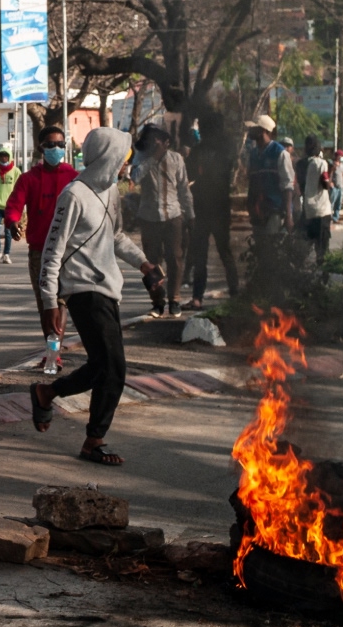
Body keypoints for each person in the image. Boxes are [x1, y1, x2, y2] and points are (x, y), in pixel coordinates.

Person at [28, 128, 153, 467]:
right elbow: (51, 252)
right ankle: (94, 440)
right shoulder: (73, 195)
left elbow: (117, 235)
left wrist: (143, 263)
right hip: (83, 291)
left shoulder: (110, 191)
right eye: (122, 158)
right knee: (114, 366)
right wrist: (50, 303)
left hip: (109, 289)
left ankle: (46, 392)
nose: (125, 165)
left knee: (101, 365)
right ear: (108, 158)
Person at [6, 124, 76, 373]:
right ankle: (52, 352)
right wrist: (13, 222)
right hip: (40, 251)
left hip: (67, 250)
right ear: (41, 147)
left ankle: (54, 354)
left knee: (60, 302)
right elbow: (14, 206)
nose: (56, 149)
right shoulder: (29, 178)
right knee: (46, 305)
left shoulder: (74, 177)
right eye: (50, 145)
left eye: (60, 145)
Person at [133, 125, 193, 316]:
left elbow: (183, 189)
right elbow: (135, 177)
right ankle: (157, 302)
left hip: (173, 215)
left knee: (175, 258)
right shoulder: (142, 157)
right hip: (148, 217)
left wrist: (190, 215)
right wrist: (154, 157)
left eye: (158, 139)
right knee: (152, 261)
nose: (155, 143)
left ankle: (174, 300)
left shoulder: (176, 159)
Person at [183, 119, 239, 309]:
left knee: (216, 253)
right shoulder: (212, 151)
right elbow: (190, 173)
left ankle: (207, 296)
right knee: (213, 254)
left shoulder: (217, 151)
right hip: (209, 208)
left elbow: (194, 174)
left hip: (213, 208)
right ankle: (203, 296)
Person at [244, 114, 295, 247]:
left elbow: (287, 186)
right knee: (259, 248)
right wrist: (250, 206)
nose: (250, 131)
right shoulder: (253, 154)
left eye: (254, 128)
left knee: (271, 246)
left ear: (263, 130)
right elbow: (252, 182)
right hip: (258, 210)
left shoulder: (280, 153)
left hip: (274, 210)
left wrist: (288, 216)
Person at [296, 134, 334, 267]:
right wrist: (331, 173)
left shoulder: (300, 164)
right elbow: (325, 184)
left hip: (307, 209)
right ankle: (322, 274)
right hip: (321, 210)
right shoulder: (321, 163)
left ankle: (299, 271)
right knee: (322, 248)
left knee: (304, 244)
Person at [0, 148, 19, 264]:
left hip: (10, 206)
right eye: (1, 156)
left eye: (6, 156)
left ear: (9, 157)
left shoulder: (16, 171)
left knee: (8, 232)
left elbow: (19, 188)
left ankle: (6, 254)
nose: (3, 158)